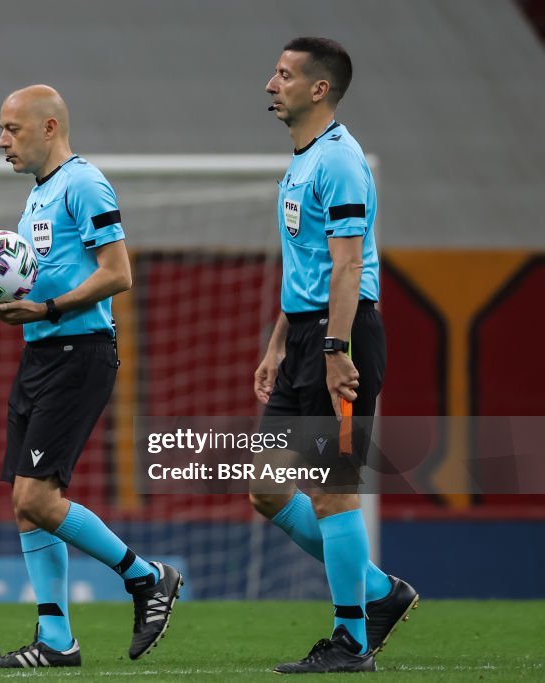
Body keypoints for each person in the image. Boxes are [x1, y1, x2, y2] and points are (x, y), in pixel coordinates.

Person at [0, 84, 182, 669]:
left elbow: (118, 274)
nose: (1, 142)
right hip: (42, 353)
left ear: (48, 127)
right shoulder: (38, 197)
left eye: (12, 129)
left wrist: (46, 309)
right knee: (25, 504)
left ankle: (146, 578)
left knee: (37, 496)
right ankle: (56, 641)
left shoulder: (84, 183)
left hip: (79, 350)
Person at [251, 38, 419, 674]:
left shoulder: (341, 162)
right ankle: (379, 592)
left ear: (318, 89)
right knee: (266, 487)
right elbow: (308, 268)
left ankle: (352, 641)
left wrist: (332, 348)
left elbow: (348, 268)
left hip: (339, 334)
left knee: (331, 492)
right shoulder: (302, 161)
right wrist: (277, 346)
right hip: (304, 336)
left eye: (285, 75)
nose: (271, 84)